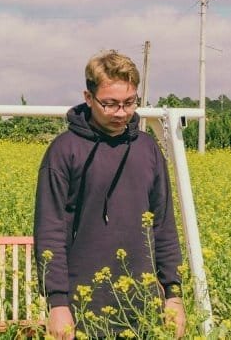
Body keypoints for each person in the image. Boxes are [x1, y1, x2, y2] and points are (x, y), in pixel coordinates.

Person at [33, 50, 186, 339]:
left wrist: (173, 295)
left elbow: (164, 227)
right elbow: (49, 230)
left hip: (144, 304)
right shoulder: (64, 151)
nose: (121, 113)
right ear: (88, 98)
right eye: (110, 104)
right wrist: (57, 302)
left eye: (129, 103)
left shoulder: (148, 149)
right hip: (83, 305)